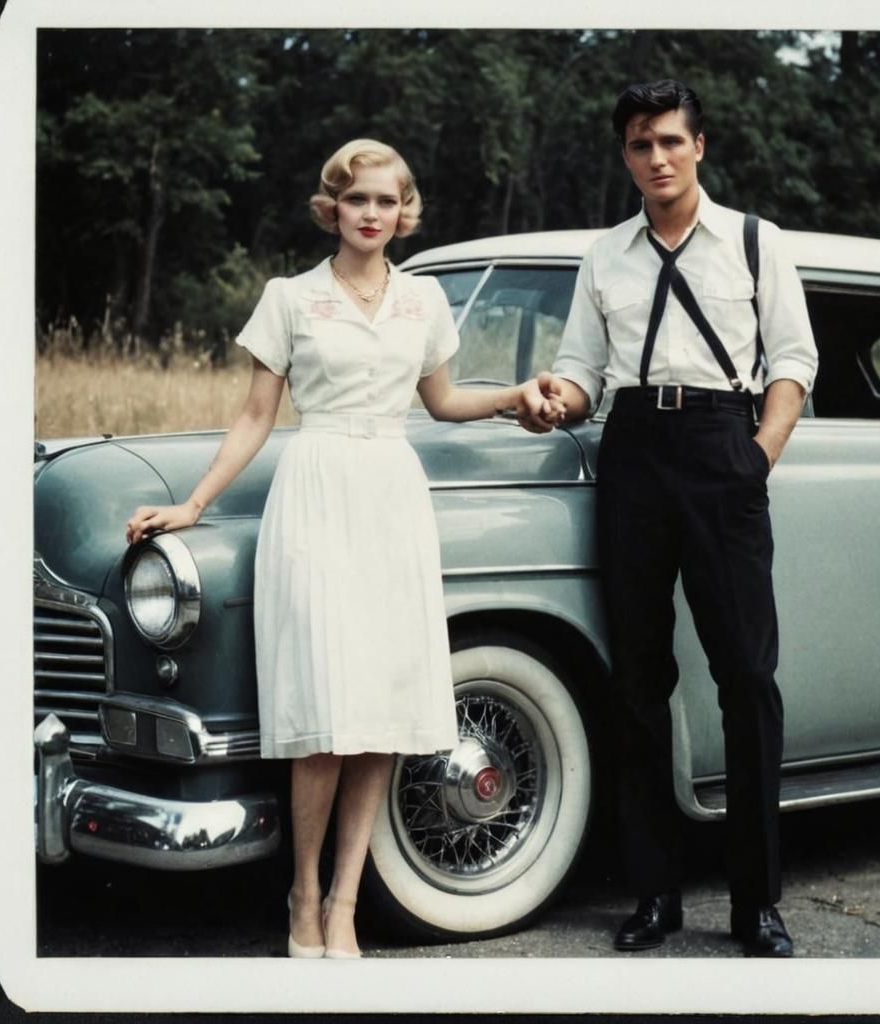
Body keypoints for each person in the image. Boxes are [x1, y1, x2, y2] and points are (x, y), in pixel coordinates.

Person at [125, 139, 560, 959]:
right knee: (322, 715)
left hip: (392, 495)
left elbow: (441, 399)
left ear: (404, 211)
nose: (370, 213)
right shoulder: (291, 298)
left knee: (380, 717)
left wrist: (512, 395)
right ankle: (301, 896)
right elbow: (257, 415)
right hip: (317, 490)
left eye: (386, 201)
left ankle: (346, 905)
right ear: (333, 207)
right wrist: (193, 503)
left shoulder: (425, 301)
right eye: (356, 198)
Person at [533, 81, 818, 957]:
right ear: (625, 156)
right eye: (637, 145)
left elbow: (794, 357)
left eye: (667, 141)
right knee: (637, 682)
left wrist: (755, 458)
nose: (654, 158)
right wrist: (555, 399)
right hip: (631, 451)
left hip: (721, 443)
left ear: (699, 145)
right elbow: (583, 366)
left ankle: (754, 904)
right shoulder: (602, 255)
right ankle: (653, 893)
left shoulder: (754, 241)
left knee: (746, 678)